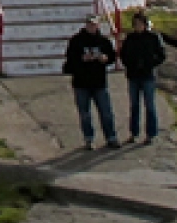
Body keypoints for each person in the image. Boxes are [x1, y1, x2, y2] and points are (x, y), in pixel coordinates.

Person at [60, 14, 120, 149]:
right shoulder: (76, 41)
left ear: (98, 25)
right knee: (85, 114)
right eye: (89, 24)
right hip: (81, 83)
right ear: (85, 25)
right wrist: (82, 59)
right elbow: (70, 60)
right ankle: (89, 139)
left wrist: (105, 58)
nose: (92, 27)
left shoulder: (104, 41)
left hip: (99, 82)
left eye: (94, 24)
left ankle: (111, 137)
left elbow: (112, 57)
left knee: (106, 112)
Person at [118, 9, 168, 143]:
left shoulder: (153, 37)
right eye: (135, 24)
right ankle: (134, 133)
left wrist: (150, 64)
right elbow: (123, 55)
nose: (138, 26)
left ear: (145, 24)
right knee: (134, 106)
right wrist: (129, 65)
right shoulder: (130, 38)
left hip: (148, 76)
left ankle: (151, 134)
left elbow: (162, 55)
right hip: (133, 76)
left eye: (140, 23)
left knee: (150, 106)